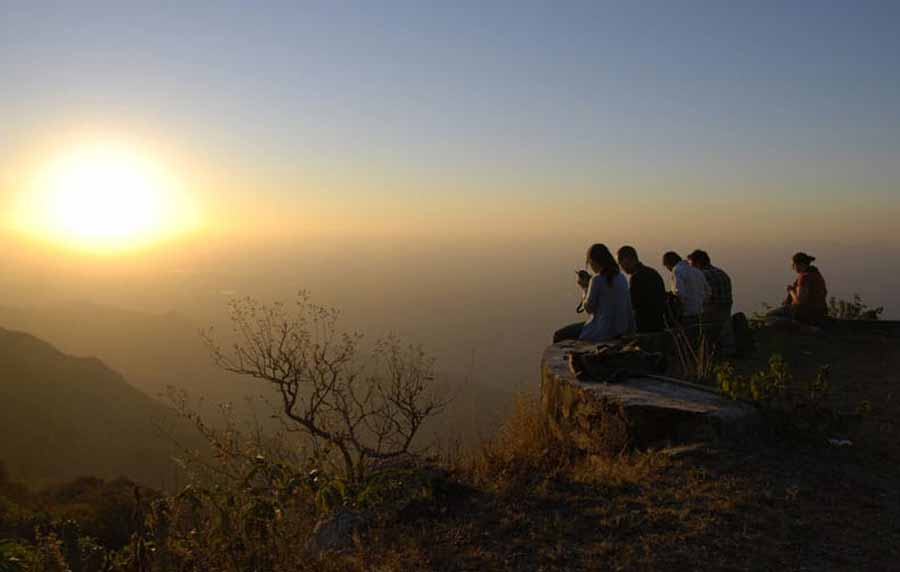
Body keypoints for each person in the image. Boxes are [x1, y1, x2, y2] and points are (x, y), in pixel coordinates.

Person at [554, 244, 635, 343]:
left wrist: (585, 288)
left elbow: (589, 308)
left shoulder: (597, 279)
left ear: (594, 262)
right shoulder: (621, 277)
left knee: (559, 335)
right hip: (620, 330)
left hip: (602, 332)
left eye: (590, 263)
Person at [688, 249, 736, 355]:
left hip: (710, 314)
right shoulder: (722, 273)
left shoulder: (701, 276)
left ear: (698, 263)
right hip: (725, 312)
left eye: (691, 265)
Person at [767, 252, 828, 325]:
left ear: (800, 264)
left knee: (769, 316)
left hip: (808, 313)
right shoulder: (816, 274)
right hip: (821, 311)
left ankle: (803, 328)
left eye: (794, 265)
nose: (792, 267)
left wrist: (791, 291)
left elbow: (799, 302)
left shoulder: (804, 278)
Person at [616, 245, 666, 333]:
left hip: (644, 327)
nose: (621, 267)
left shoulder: (636, 277)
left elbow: (633, 304)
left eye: (620, 263)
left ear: (627, 259)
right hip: (659, 324)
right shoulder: (653, 272)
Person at [662, 251, 710, 323]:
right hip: (700, 314)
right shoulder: (697, 271)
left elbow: (679, 293)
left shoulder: (677, 270)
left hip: (687, 315)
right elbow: (708, 291)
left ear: (668, 264)